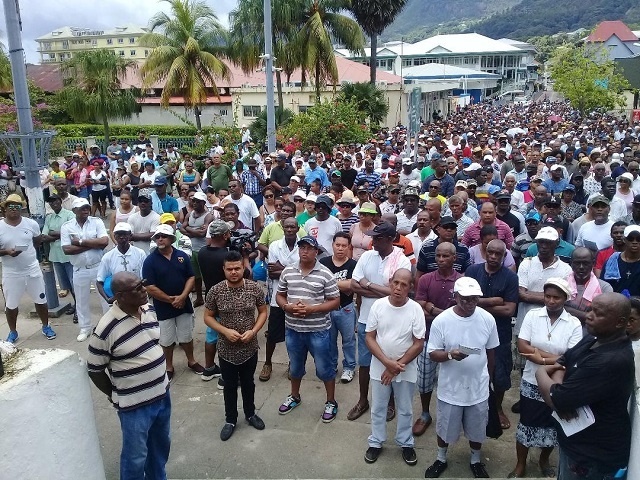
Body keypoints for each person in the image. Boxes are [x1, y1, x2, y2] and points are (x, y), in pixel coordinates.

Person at [536, 293, 634, 480]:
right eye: (590, 309)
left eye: (598, 313)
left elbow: (558, 399)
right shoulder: (594, 337)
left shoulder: (610, 360)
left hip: (591, 456)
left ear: (620, 322)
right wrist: (559, 389)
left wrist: (540, 372)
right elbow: (564, 361)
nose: (589, 316)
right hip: (575, 444)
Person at [87, 272, 171, 480]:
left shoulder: (148, 309)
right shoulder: (105, 329)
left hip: (162, 394)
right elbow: (95, 369)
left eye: (142, 284)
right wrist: (115, 393)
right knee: (135, 457)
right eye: (137, 288)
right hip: (134, 406)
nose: (144, 290)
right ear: (120, 296)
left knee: (160, 447)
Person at [424, 277, 499, 479]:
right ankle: (441, 458)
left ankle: (475, 460)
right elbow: (432, 353)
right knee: (445, 428)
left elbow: (491, 352)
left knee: (477, 429)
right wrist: (450, 355)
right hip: (451, 388)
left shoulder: (487, 319)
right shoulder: (442, 321)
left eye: (474, 299)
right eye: (465, 299)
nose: (469, 303)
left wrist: (489, 379)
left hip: (478, 387)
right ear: (455, 296)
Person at [510, 278, 582, 478]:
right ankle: (520, 464)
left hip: (557, 382)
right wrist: (554, 360)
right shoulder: (533, 315)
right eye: (548, 296)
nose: (551, 301)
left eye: (556, 297)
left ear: (565, 298)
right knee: (527, 422)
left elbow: (572, 357)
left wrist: (538, 355)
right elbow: (523, 347)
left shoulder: (574, 323)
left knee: (552, 425)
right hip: (531, 380)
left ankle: (544, 460)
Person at [349, 222, 412, 421]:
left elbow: (398, 292)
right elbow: (353, 284)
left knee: (390, 361)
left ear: (389, 239)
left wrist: (367, 285)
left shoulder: (402, 261)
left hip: (392, 319)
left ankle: (390, 403)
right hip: (366, 318)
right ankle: (363, 400)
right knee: (365, 363)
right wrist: (381, 289)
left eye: (377, 238)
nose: (372, 240)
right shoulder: (367, 256)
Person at [275, 236, 341, 422]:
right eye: (301, 247)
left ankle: (331, 401)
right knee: (295, 367)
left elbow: (335, 301)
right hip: (293, 329)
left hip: (318, 330)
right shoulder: (288, 271)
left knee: (324, 368)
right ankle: (295, 396)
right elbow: (280, 295)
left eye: (309, 248)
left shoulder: (325, 274)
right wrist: (287, 307)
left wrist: (313, 309)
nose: (305, 251)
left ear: (316, 252)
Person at [203, 251, 268, 441]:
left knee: (248, 383)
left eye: (237, 268)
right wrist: (224, 331)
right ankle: (230, 419)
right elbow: (207, 317)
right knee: (229, 385)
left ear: (243, 268)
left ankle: (250, 414)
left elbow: (263, 312)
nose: (233, 272)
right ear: (223, 269)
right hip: (226, 348)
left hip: (249, 346)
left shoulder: (254, 288)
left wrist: (254, 331)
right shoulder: (215, 291)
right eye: (229, 269)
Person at [363, 269, 425, 466]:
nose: (398, 288)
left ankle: (406, 443)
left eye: (404, 285)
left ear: (410, 287)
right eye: (395, 283)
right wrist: (387, 363)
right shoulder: (378, 306)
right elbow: (369, 337)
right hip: (379, 366)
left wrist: (395, 367)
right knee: (379, 407)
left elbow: (418, 343)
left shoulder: (415, 309)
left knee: (406, 408)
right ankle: (376, 441)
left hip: (405, 368)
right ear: (390, 282)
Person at [466, 239, 519, 431]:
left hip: (500, 334)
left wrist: (477, 302)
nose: (494, 257)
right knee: (471, 369)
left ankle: (497, 408)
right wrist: (495, 301)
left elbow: (509, 311)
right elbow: (462, 302)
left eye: (499, 254)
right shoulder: (472, 272)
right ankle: (471, 404)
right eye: (491, 253)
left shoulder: (511, 278)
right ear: (485, 253)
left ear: (505, 256)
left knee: (500, 375)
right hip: (471, 332)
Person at [143, 224, 204, 380]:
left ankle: (191, 361)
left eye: (163, 236)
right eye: (157, 236)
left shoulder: (181, 256)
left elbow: (191, 276)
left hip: (183, 304)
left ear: (171, 239)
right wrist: (170, 299)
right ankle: (168, 366)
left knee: (186, 335)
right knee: (166, 338)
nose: (160, 239)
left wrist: (183, 297)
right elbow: (150, 286)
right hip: (163, 306)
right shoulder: (150, 260)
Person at [413, 242, 462, 437]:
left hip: (453, 340)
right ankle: (425, 414)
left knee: (451, 381)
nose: (441, 260)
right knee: (424, 379)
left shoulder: (461, 281)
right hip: (427, 337)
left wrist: (432, 309)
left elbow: (461, 312)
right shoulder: (425, 279)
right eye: (438, 256)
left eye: (445, 256)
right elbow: (418, 308)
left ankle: (450, 414)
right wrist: (441, 313)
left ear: (454, 258)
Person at [0, 194, 56, 343]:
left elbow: (37, 241)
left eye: (17, 206)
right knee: (11, 305)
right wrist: (7, 252)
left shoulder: (31, 224)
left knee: (41, 301)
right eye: (10, 206)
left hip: (32, 269)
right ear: (4, 209)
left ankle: (46, 326)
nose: (14, 209)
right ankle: (13, 332)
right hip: (11, 272)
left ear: (21, 208)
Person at [61, 197, 109, 342]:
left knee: (105, 299)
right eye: (82, 208)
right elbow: (67, 249)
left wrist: (80, 242)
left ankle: (108, 327)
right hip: (79, 269)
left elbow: (104, 242)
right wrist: (93, 244)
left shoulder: (97, 222)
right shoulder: (67, 226)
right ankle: (85, 328)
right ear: (74, 210)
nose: (86, 210)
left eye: (87, 207)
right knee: (81, 300)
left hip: (98, 267)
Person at [259, 217, 301, 382]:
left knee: (295, 333)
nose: (290, 229)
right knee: (272, 334)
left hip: (298, 296)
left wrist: (282, 269)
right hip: (279, 297)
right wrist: (294, 271)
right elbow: (272, 273)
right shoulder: (275, 246)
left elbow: (303, 271)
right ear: (283, 227)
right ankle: (267, 363)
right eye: (287, 227)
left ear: (298, 229)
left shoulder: (303, 246)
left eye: (293, 227)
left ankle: (293, 364)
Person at [320, 232, 358, 383]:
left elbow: (351, 286)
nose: (340, 248)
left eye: (344, 246)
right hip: (327, 308)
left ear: (349, 247)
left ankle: (349, 367)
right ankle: (332, 365)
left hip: (346, 308)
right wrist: (342, 284)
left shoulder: (353, 264)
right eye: (338, 245)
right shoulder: (323, 262)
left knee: (348, 340)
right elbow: (318, 285)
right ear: (332, 245)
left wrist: (328, 283)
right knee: (329, 340)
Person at [96, 222, 146, 313]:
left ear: (130, 236)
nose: (122, 237)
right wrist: (107, 299)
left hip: (137, 298)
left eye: (125, 234)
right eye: (119, 234)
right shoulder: (108, 257)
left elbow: (144, 278)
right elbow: (99, 281)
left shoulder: (140, 253)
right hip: (118, 300)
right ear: (114, 236)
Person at [564, 247, 613, 329]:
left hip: (591, 332)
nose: (581, 267)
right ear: (571, 264)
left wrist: (566, 309)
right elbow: (554, 308)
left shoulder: (604, 287)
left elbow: (603, 316)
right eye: (577, 263)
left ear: (593, 263)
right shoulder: (562, 283)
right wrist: (587, 315)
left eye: (585, 263)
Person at [181, 191, 214, 308]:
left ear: (203, 203)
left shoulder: (209, 216)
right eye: (193, 200)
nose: (194, 203)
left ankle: (210, 299)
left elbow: (203, 233)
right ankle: (199, 298)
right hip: (191, 249)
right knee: (196, 276)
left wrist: (189, 230)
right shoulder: (189, 214)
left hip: (204, 249)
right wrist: (194, 230)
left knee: (207, 275)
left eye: (197, 201)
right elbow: (181, 229)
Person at [41, 194, 76, 307]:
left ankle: (78, 308)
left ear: (60, 201)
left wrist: (53, 233)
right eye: (51, 202)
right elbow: (44, 236)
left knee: (74, 283)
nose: (53, 203)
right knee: (66, 285)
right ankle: (75, 305)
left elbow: (71, 234)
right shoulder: (49, 217)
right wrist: (59, 234)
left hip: (69, 255)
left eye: (55, 201)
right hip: (56, 256)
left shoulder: (69, 215)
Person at [601, 224, 640, 297]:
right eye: (630, 238)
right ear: (624, 240)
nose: (635, 242)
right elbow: (603, 285)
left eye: (639, 239)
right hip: (614, 304)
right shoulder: (612, 261)